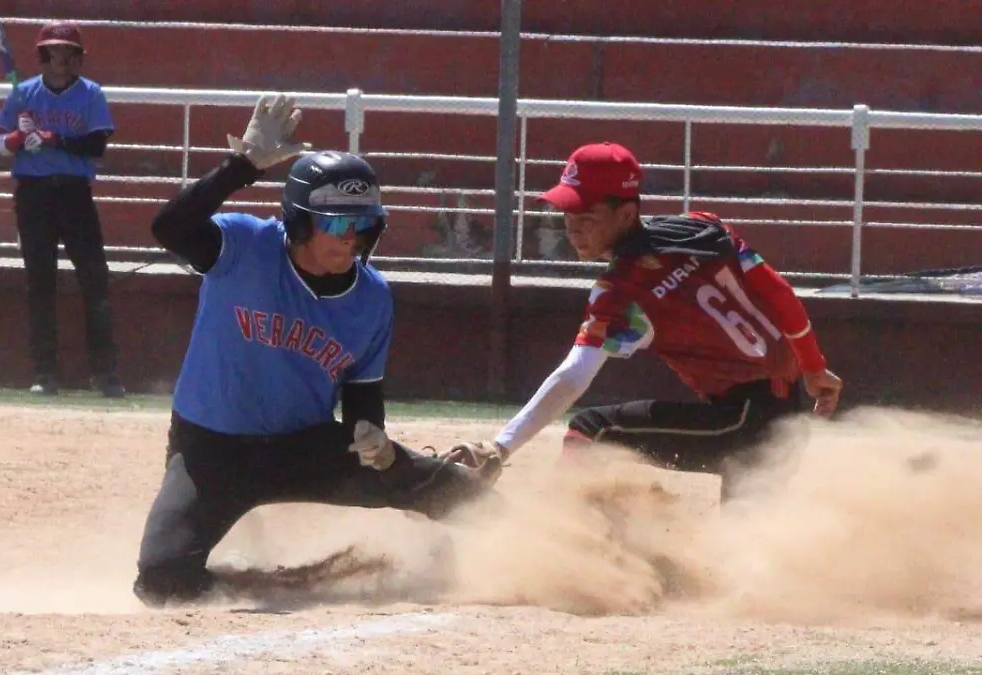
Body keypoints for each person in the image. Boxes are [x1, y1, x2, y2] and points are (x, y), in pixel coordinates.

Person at [131, 93, 501, 607]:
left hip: (304, 447)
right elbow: (167, 228)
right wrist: (241, 167)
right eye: (336, 223)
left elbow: (363, 402)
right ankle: (278, 585)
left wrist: (374, 438)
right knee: (162, 580)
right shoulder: (243, 246)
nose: (350, 238)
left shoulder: (371, 297)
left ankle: (571, 548)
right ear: (300, 221)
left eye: (362, 225)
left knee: (441, 486)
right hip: (210, 452)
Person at [448, 142, 844, 502]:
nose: (572, 226)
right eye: (568, 212)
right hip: (782, 411)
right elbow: (780, 295)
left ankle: (560, 532)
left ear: (626, 213)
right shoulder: (704, 228)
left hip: (741, 421)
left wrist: (500, 448)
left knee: (593, 430)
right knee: (742, 555)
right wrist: (813, 367)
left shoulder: (619, 291)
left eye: (587, 215)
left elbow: (574, 376)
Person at [0, 20, 124, 398]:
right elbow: (0, 146)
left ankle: (106, 373)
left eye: (70, 53)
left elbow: (97, 145)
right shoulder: (24, 94)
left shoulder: (91, 95)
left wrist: (55, 139)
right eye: (55, 53)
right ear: (44, 56)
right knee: (40, 283)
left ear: (78, 58)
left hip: (74, 194)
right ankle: (45, 372)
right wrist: (18, 138)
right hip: (34, 196)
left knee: (94, 281)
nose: (62, 60)